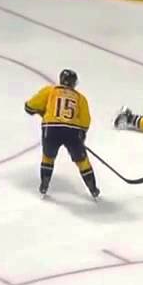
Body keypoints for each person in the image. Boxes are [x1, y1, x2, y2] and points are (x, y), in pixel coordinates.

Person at [24, 69, 99, 199]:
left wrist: (40, 110)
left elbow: (29, 107)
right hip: (72, 131)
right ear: (74, 83)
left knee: (48, 157)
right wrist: (81, 134)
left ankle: (44, 185)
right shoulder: (80, 98)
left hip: (51, 128)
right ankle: (93, 189)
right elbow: (85, 121)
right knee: (82, 160)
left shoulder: (50, 91)